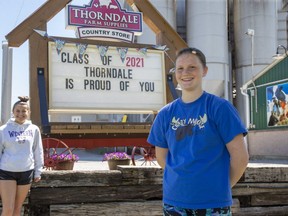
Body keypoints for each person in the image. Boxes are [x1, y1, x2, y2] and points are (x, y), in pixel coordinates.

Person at [147, 47, 249, 215]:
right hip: (174, 203)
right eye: (180, 68)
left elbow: (241, 158)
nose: (185, 72)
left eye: (192, 67)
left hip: (213, 204)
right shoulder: (165, 114)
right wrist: (184, 181)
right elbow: (161, 157)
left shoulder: (220, 108)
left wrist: (219, 186)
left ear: (204, 71)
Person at [0, 96, 44, 216]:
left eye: (24, 111)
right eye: (17, 111)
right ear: (13, 112)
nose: (21, 114)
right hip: (7, 172)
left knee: (17, 209)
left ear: (29, 112)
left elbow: (37, 151)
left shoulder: (34, 129)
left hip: (26, 171)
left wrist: (38, 171)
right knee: (8, 209)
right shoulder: (3, 130)